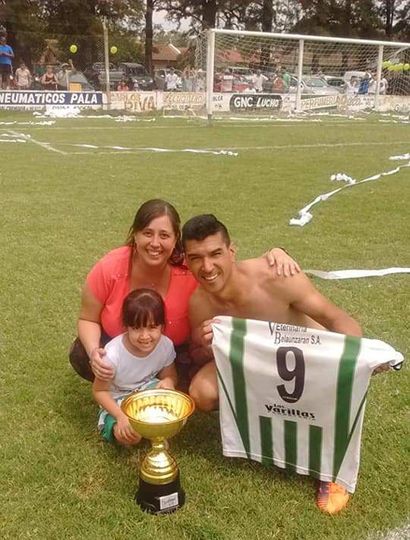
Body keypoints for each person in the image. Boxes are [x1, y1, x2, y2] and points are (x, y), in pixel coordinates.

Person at [181, 214, 365, 515]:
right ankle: (257, 429)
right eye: (196, 258)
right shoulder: (199, 303)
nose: (207, 267)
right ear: (187, 262)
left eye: (215, 254)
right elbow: (202, 357)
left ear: (232, 251)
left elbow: (335, 318)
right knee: (202, 391)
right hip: (256, 366)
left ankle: (329, 468)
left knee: (327, 377)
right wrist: (203, 344)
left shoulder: (276, 276)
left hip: (307, 359)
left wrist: (357, 357)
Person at [69, 199, 299, 385]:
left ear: (175, 240)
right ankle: (125, 387)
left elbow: (229, 267)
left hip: (174, 354)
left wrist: (276, 252)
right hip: (124, 347)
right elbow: (87, 318)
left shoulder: (190, 268)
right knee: (80, 352)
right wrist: (94, 353)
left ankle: (162, 385)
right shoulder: (111, 267)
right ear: (135, 235)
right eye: (148, 233)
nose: (155, 243)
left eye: (165, 235)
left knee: (194, 373)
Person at [93, 288, 177, 445]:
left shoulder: (165, 345)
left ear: (162, 326)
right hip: (117, 399)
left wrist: (169, 382)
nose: (145, 336)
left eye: (152, 327)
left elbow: (170, 375)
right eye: (137, 328)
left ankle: (152, 429)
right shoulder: (112, 355)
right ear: (126, 327)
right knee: (130, 435)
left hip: (146, 391)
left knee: (177, 411)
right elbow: (99, 391)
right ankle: (116, 426)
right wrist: (120, 416)